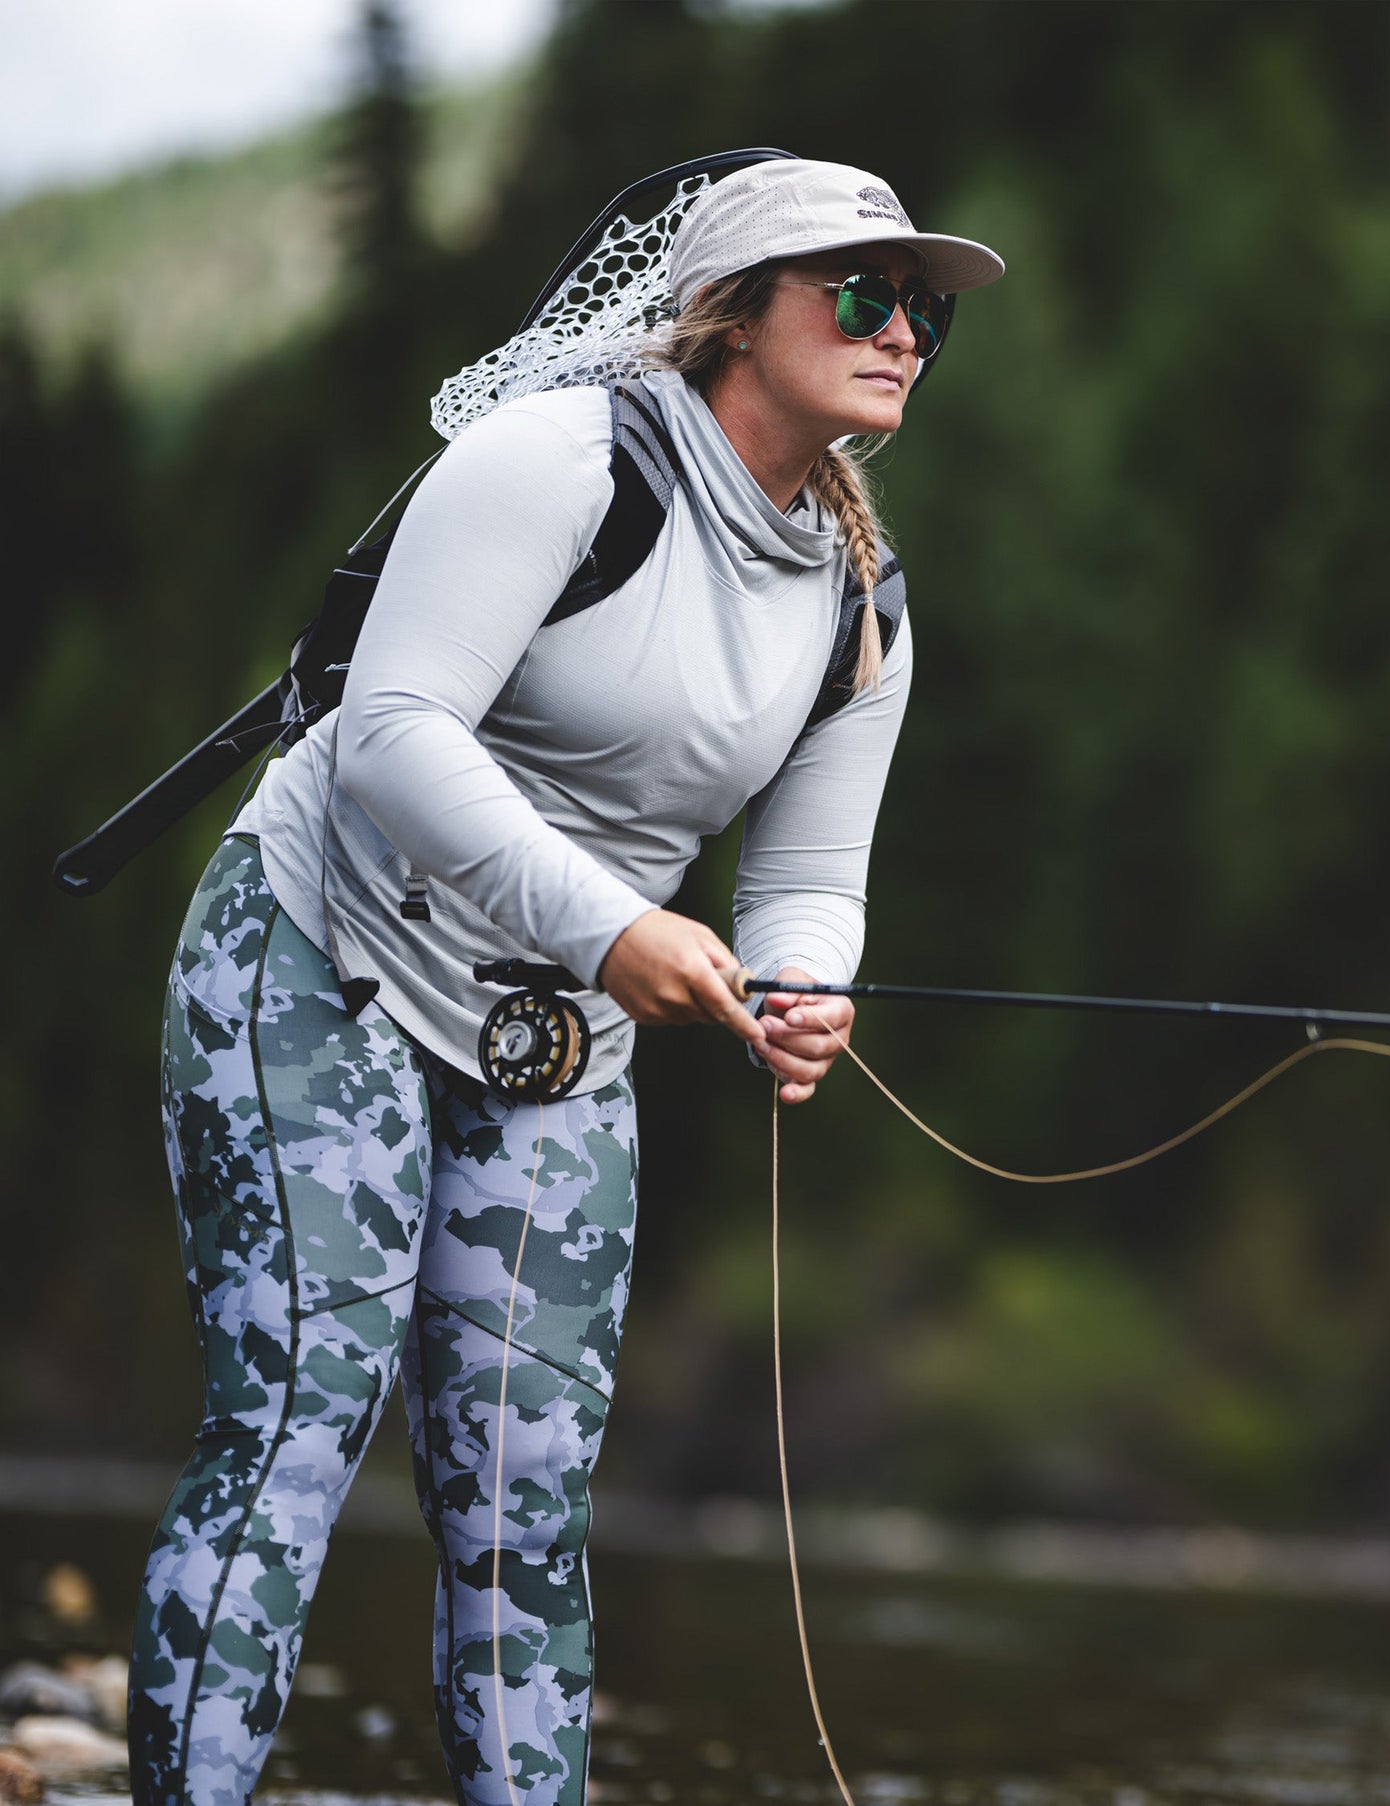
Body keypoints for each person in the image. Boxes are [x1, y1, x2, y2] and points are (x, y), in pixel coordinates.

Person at [126, 156, 1003, 1806]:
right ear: (733, 312)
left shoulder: (860, 598)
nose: (902, 333)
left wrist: (800, 982)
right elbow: (392, 736)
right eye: (861, 294)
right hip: (323, 957)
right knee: (299, 1417)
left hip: (556, 1046)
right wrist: (616, 929)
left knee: (522, 1506)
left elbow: (808, 882)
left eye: (922, 313)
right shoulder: (555, 460)